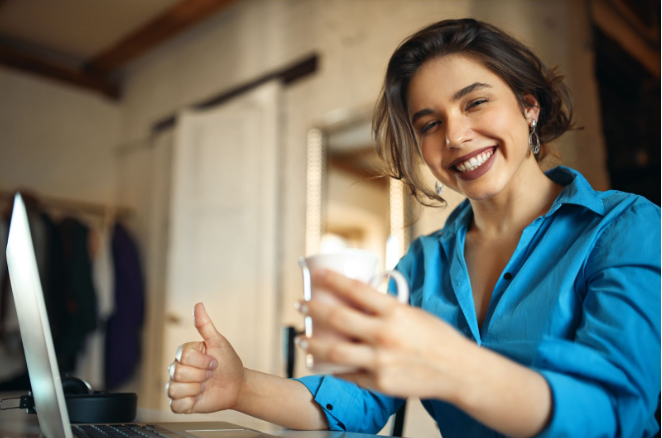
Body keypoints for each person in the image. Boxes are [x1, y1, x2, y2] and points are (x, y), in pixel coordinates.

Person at [165, 18, 661, 438]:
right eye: (429, 124)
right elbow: (355, 401)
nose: (456, 136)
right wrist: (239, 387)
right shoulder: (423, 264)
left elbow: (616, 409)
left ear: (528, 107)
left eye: (475, 103)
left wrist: (454, 366)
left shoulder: (625, 227)